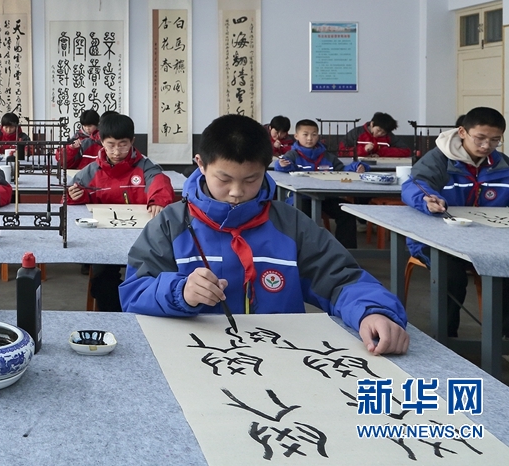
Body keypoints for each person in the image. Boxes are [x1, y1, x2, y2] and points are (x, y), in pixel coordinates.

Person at [120, 114, 409, 355]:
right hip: (193, 358)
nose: (236, 191)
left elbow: (341, 279)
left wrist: (372, 311)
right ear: (201, 164)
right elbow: (133, 293)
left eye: (251, 179)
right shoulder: (171, 224)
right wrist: (179, 292)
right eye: (224, 178)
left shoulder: (289, 225)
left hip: (281, 359)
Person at [401, 106, 509, 338]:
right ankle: (447, 339)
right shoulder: (440, 159)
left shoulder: (502, 165)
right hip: (438, 240)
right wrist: (427, 200)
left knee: (505, 271)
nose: (486, 145)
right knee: (451, 276)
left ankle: (502, 340)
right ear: (462, 132)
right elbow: (415, 185)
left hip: (488, 240)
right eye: (480, 138)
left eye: (495, 140)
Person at [67, 112, 175, 312]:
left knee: (150, 278)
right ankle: (117, 317)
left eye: (123, 144)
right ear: (101, 142)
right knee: (102, 282)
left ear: (132, 141)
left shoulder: (144, 167)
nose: (117, 151)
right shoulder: (91, 171)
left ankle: (139, 313)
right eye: (111, 145)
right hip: (105, 240)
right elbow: (72, 192)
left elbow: (160, 183)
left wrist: (159, 200)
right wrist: (76, 196)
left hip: (141, 240)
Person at [274, 119, 367, 248]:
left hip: (325, 197)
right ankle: (305, 252)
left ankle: (345, 254)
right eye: (305, 134)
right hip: (301, 197)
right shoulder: (293, 155)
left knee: (347, 213)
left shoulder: (327, 156)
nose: (310, 138)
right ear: (296, 136)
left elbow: (341, 169)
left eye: (314, 134)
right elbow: (280, 166)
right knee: (302, 216)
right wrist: (281, 165)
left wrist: (357, 167)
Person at [341, 112, 411, 158]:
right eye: (378, 130)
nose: (380, 134)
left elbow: (406, 151)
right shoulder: (356, 132)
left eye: (384, 132)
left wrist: (381, 153)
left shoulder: (389, 136)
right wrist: (363, 150)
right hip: (358, 166)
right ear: (372, 124)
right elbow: (341, 151)